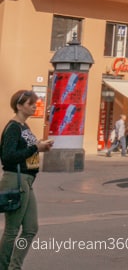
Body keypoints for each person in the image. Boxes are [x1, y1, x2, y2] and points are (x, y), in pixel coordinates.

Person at [1, 90, 53, 269]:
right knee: (12, 230)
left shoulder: (25, 127)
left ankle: (14, 266)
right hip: (16, 179)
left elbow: (27, 150)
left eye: (35, 104)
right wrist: (34, 148)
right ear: (19, 105)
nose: (34, 107)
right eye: (31, 104)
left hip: (27, 181)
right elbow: (7, 157)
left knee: (31, 228)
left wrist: (40, 147)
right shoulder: (13, 127)